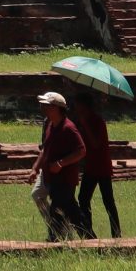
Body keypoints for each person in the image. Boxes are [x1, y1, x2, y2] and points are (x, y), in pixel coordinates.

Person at [30, 90, 92, 242]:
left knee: (57, 211)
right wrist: (35, 168)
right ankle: (90, 239)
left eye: (46, 105)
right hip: (54, 177)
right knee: (72, 212)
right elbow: (46, 149)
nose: (42, 107)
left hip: (65, 178)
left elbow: (81, 150)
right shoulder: (51, 125)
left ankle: (54, 240)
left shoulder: (68, 128)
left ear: (56, 108)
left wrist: (60, 163)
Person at [68, 88, 121, 239]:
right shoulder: (82, 121)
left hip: (101, 166)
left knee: (108, 202)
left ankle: (116, 234)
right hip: (91, 166)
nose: (76, 108)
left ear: (85, 106)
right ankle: (88, 232)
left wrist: (85, 125)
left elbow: (96, 144)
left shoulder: (97, 121)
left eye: (78, 105)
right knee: (83, 199)